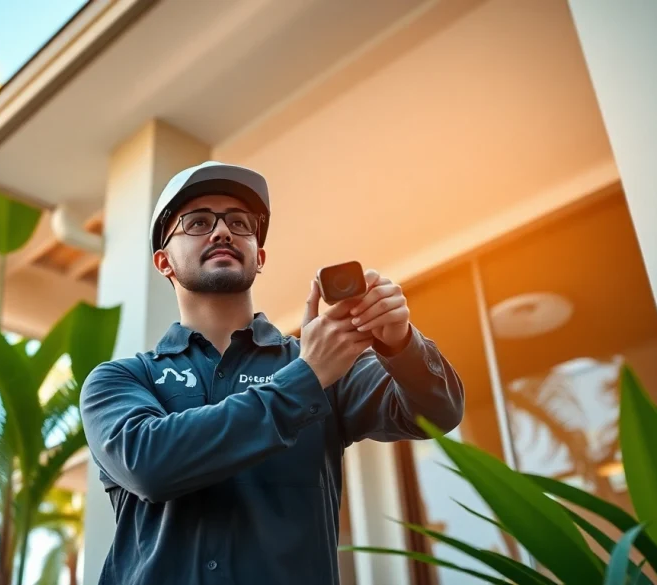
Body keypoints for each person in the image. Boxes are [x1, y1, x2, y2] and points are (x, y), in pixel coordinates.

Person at [79, 161, 465, 585]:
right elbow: (149, 464)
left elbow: (438, 411)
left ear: (258, 257)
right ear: (163, 261)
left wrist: (400, 341)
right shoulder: (120, 380)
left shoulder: (324, 363)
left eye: (240, 223)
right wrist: (304, 380)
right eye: (198, 222)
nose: (222, 231)